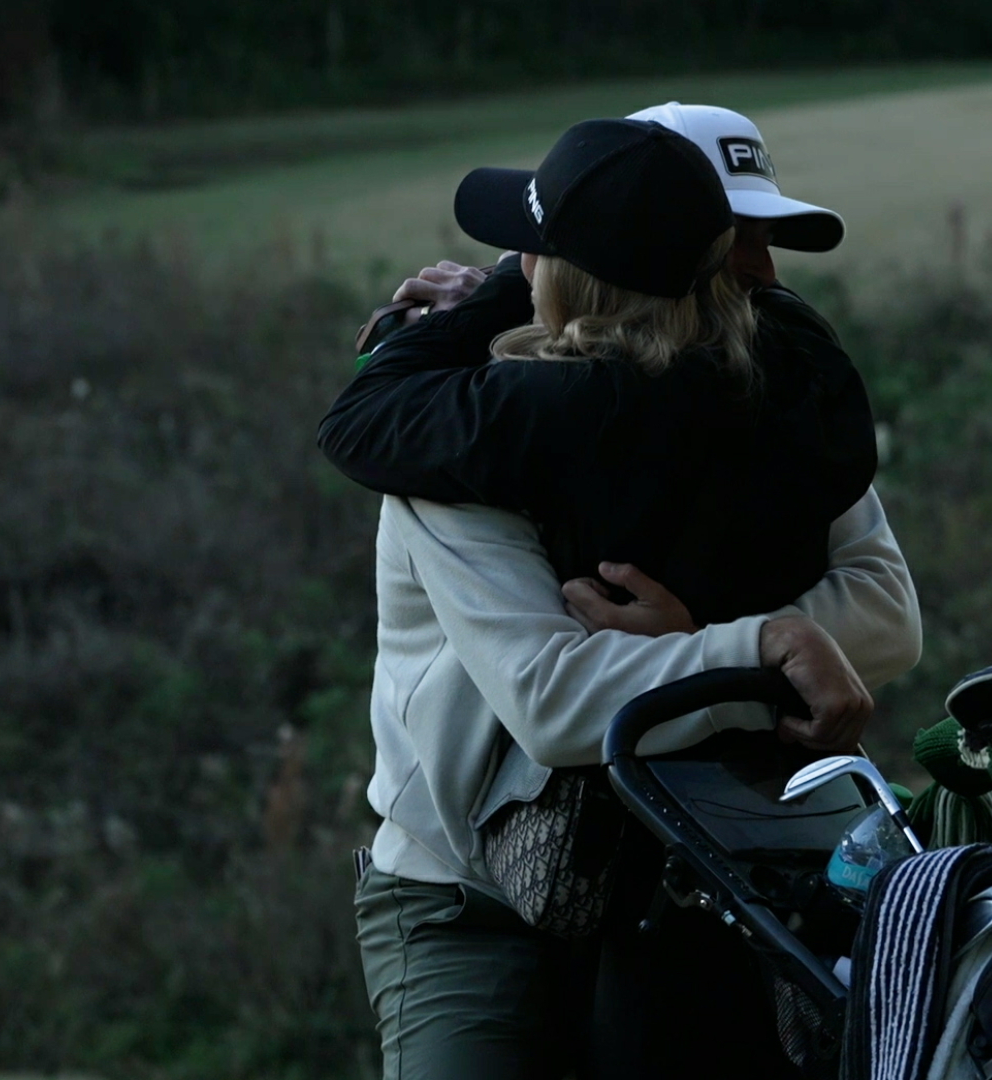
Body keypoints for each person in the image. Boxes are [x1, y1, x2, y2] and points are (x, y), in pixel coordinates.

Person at [319, 117, 920, 1080]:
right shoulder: (466, 434)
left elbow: (886, 617)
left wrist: (712, 645)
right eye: (741, 241)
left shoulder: (766, 402)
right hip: (468, 894)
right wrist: (749, 652)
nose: (767, 272)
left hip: (701, 871)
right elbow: (554, 700)